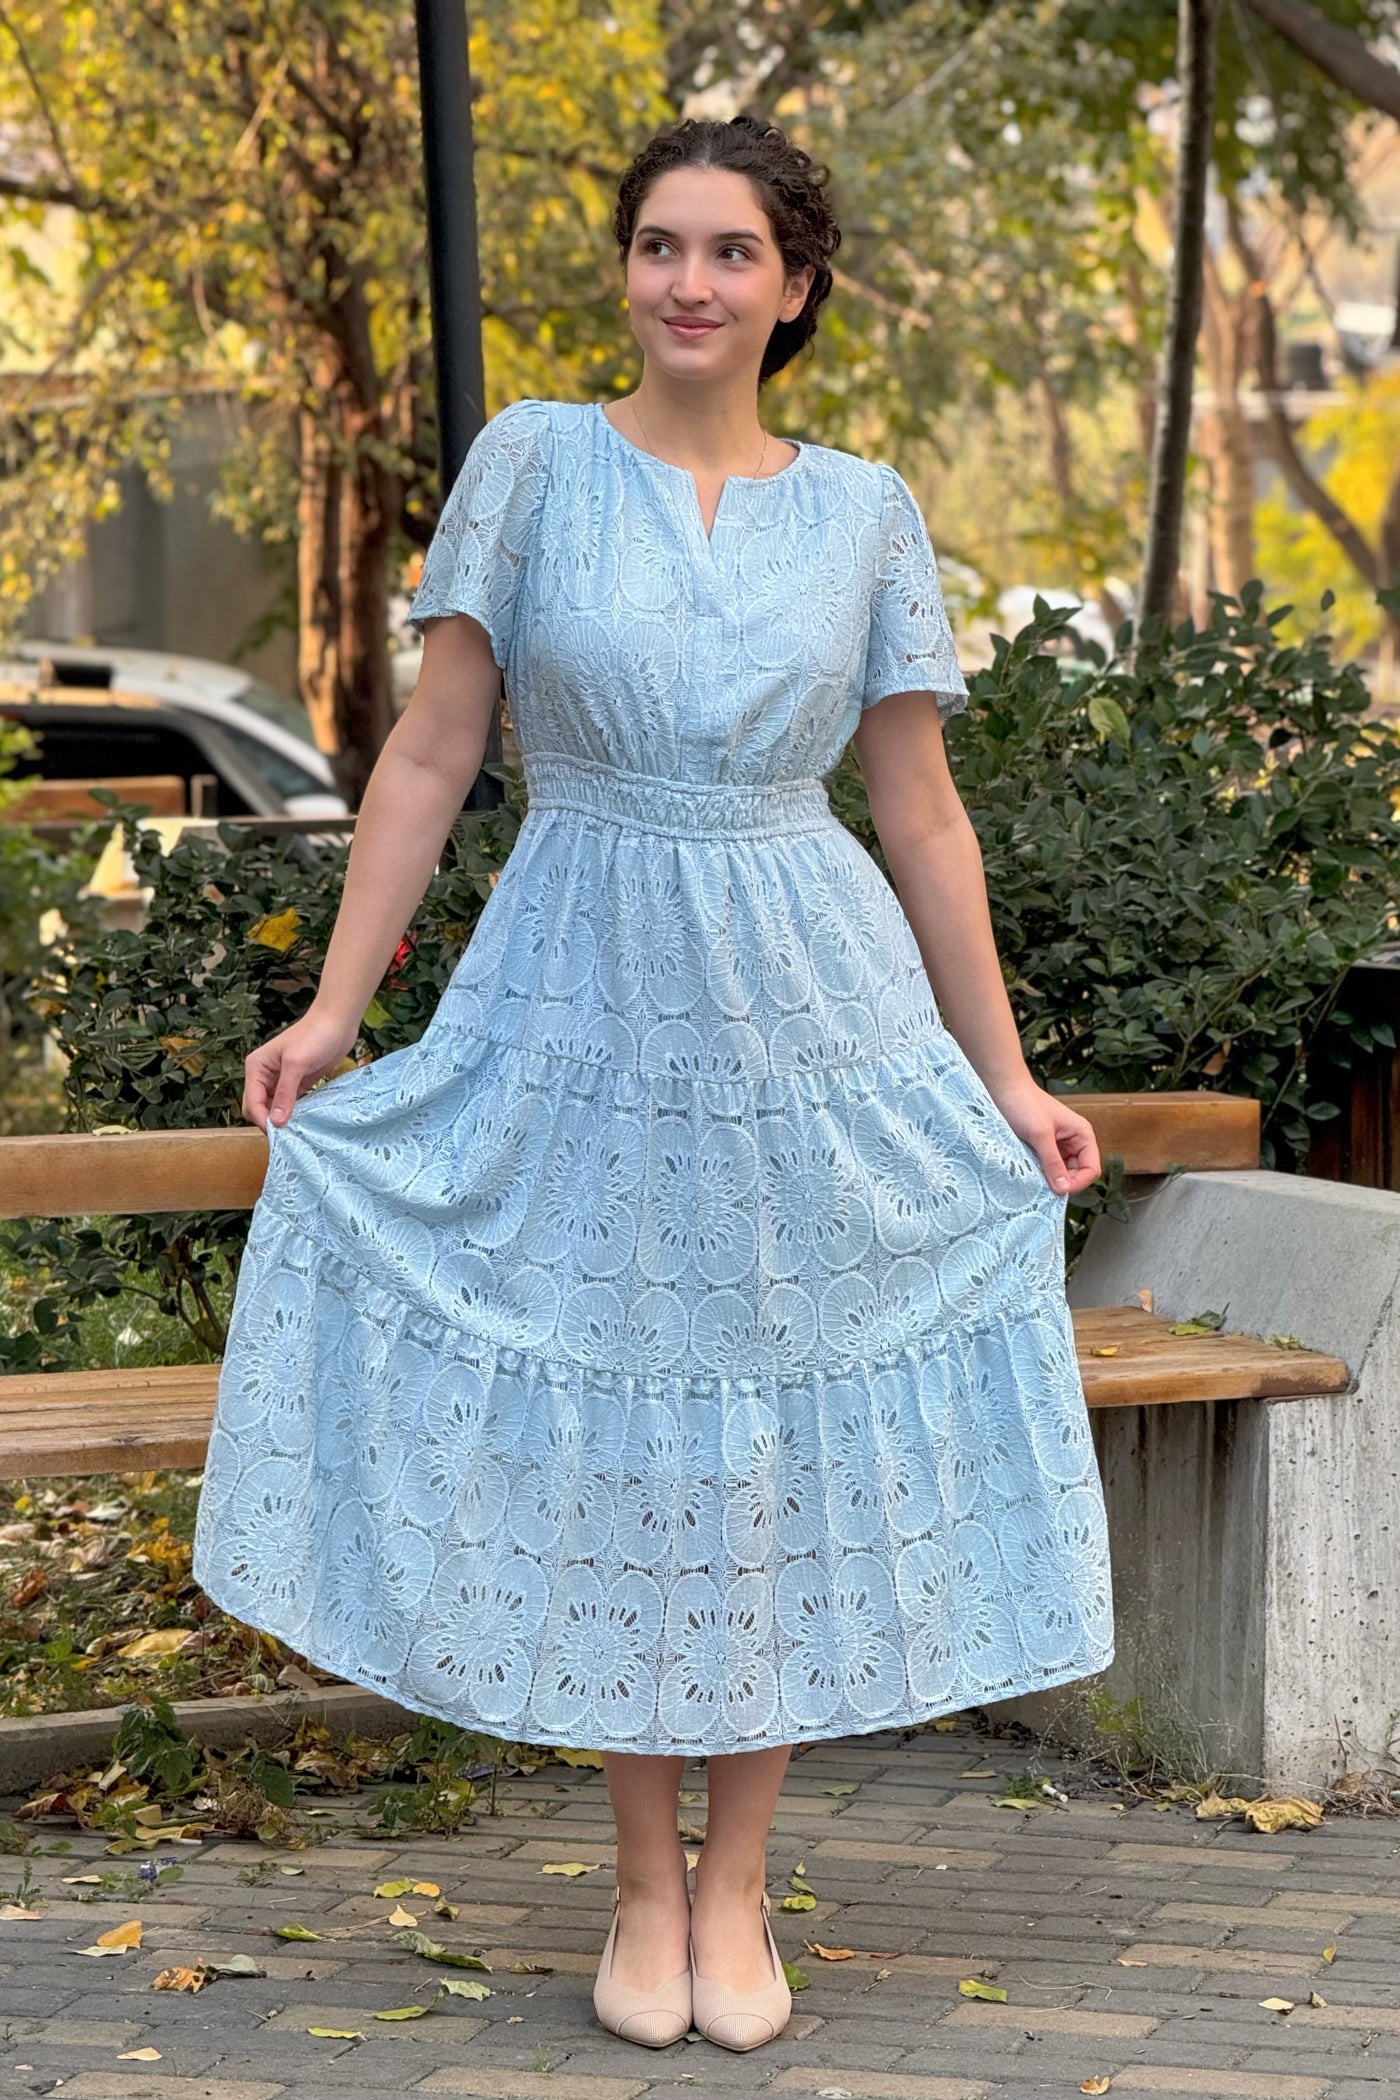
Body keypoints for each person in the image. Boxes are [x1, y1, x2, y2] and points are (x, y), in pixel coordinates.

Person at [191, 111, 1114, 2058]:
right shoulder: (532, 464)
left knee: (761, 1422)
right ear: (627, 270)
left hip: (807, 1009)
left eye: (729, 252)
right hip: (577, 996)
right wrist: (339, 1011)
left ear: (795, 288)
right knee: (616, 1422)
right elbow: (434, 751)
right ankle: (636, 1879)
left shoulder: (864, 513)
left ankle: (739, 1882)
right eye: (659, 245)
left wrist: (1008, 1077)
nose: (687, 282)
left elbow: (922, 815)